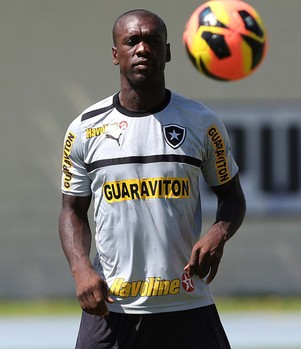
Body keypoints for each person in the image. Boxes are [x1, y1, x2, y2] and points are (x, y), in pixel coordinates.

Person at [58, 9, 245, 349]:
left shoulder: (201, 122)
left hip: (187, 301)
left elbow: (232, 197)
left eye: (152, 41)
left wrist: (218, 233)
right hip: (113, 306)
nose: (143, 49)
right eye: (132, 41)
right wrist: (80, 269)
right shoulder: (84, 129)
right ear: (116, 55)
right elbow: (72, 210)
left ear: (168, 52)